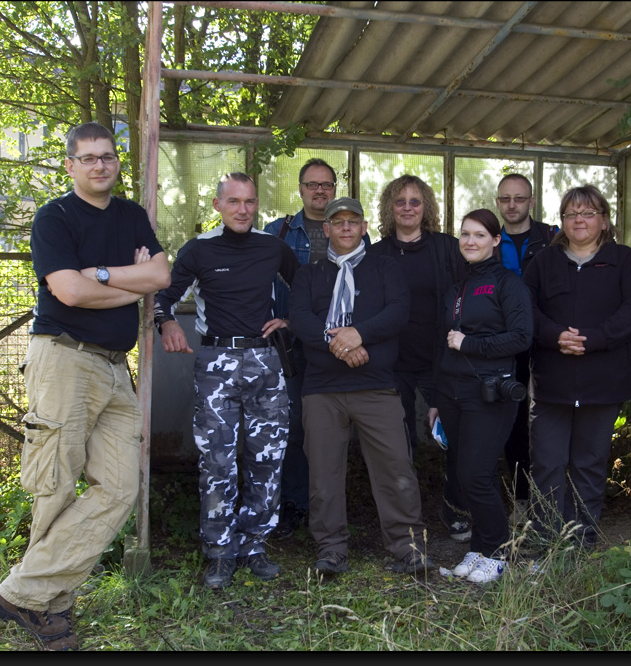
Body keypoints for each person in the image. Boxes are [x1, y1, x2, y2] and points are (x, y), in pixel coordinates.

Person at [0, 121, 171, 650]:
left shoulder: (132, 215)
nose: (98, 165)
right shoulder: (55, 218)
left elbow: (160, 276)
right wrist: (125, 285)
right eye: (87, 158)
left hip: (115, 368)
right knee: (56, 485)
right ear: (70, 165)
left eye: (107, 157)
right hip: (64, 359)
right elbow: (67, 292)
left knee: (120, 487)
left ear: (116, 162)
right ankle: (49, 608)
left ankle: (19, 593)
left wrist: (104, 279)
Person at [153, 172, 300, 590]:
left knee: (266, 458)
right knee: (217, 462)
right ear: (218, 205)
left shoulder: (273, 248)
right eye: (234, 202)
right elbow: (163, 295)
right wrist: (166, 325)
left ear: (257, 206)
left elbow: (306, 288)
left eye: (250, 202)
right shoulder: (198, 250)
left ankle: (254, 545)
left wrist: (291, 318)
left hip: (265, 360)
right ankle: (219, 553)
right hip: (216, 360)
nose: (243, 209)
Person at [289, 196, 435, 577]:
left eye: (353, 222)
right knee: (323, 473)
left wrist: (359, 334)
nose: (346, 228)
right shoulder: (309, 274)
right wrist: (340, 346)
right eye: (338, 223)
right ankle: (331, 548)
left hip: (376, 385)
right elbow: (301, 320)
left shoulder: (385, 268)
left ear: (365, 226)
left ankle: (408, 547)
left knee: (395, 467)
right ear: (327, 229)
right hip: (322, 388)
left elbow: (397, 313)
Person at [523, 185, 631, 549]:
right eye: (571, 214)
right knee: (546, 462)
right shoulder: (544, 262)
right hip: (551, 382)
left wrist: (594, 339)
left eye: (588, 212)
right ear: (561, 221)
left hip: (603, 383)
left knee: (589, 464)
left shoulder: (622, 259)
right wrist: (555, 336)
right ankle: (547, 537)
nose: (580, 220)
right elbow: (526, 308)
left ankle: (580, 538)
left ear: (604, 220)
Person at [263, 159, 370, 541]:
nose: (320, 191)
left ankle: (338, 507)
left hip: (342, 347)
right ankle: (296, 504)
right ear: (301, 189)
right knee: (293, 426)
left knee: (339, 428)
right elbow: (263, 285)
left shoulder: (357, 235)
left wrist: (354, 336)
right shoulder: (278, 233)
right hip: (292, 347)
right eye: (312, 185)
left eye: (327, 184)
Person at [429, 208, 532, 583]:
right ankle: (480, 549)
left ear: (495, 240)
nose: (470, 241)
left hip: (490, 393)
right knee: (466, 471)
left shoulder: (508, 284)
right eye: (465, 235)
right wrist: (438, 400)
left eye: (479, 235)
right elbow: (444, 346)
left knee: (476, 474)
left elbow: (522, 338)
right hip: (453, 393)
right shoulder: (457, 287)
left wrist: (470, 343)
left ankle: (499, 551)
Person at [367, 174, 469, 541]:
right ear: (389, 208)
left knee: (455, 435)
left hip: (441, 361)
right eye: (400, 201)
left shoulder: (448, 248)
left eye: (415, 201)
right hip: (392, 364)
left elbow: (469, 298)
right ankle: (405, 520)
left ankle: (456, 509)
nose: (407, 208)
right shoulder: (375, 254)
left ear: (426, 208)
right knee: (397, 444)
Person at [494, 174, 557, 521]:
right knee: (514, 421)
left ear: (531, 201)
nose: (512, 205)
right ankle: (521, 499)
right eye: (506, 199)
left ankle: (551, 497)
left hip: (548, 340)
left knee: (549, 418)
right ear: (498, 202)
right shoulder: (489, 239)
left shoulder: (551, 238)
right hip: (507, 345)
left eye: (519, 198)